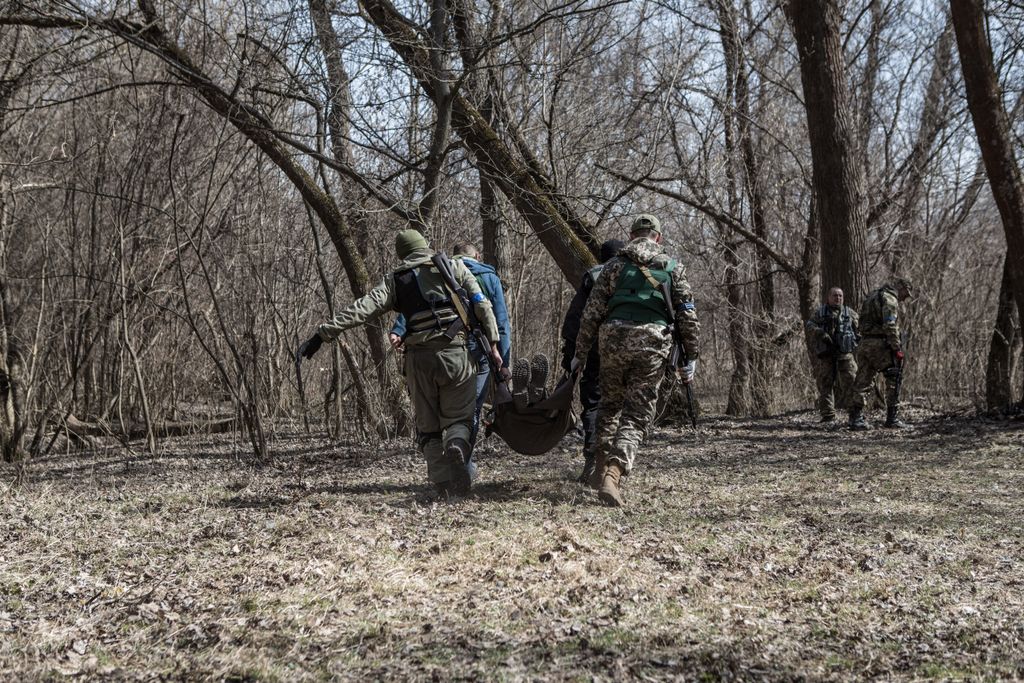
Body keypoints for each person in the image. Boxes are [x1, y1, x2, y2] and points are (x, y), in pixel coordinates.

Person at [298, 229, 503, 497]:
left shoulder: (396, 280)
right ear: (425, 246)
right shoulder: (454, 267)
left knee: (428, 427)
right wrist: (495, 344)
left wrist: (323, 333)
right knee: (459, 419)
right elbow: (482, 304)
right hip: (457, 356)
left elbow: (364, 307)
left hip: (418, 361)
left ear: (402, 254)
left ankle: (442, 484)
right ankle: (457, 447)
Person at [571, 214, 699, 507]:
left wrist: (580, 353)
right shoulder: (672, 266)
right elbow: (687, 315)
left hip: (612, 341)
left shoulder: (614, 265)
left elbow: (591, 312)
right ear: (658, 237)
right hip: (651, 344)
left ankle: (601, 467)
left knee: (609, 405)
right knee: (637, 414)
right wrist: (690, 356)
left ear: (631, 236)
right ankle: (613, 474)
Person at [390, 243, 510, 475]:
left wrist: (399, 329)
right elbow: (501, 321)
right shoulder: (488, 276)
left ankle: (447, 468)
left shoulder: (437, 268)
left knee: (437, 415)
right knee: (468, 412)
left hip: (444, 346)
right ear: (477, 255)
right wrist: (502, 359)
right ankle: (463, 467)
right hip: (480, 349)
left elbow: (416, 305)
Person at [560, 238, 625, 483]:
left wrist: (572, 357)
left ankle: (592, 461)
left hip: (599, 347)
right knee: (623, 407)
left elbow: (576, 317)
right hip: (634, 350)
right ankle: (615, 467)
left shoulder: (595, 275)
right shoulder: (638, 274)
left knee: (594, 404)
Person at [847, 278, 913, 430]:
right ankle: (892, 418)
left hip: (865, 343)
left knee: (863, 379)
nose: (904, 298)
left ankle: (855, 418)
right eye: (906, 293)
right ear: (900, 287)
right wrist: (897, 348)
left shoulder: (872, 296)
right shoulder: (890, 299)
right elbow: (890, 324)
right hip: (880, 344)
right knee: (893, 377)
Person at [805, 287, 859, 423]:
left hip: (845, 355)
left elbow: (860, 330)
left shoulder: (849, 313)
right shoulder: (820, 313)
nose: (838, 298)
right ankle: (828, 415)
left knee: (851, 383)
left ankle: (854, 414)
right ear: (828, 297)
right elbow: (809, 325)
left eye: (840, 296)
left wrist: (856, 342)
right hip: (827, 355)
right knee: (826, 384)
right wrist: (820, 333)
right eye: (835, 296)